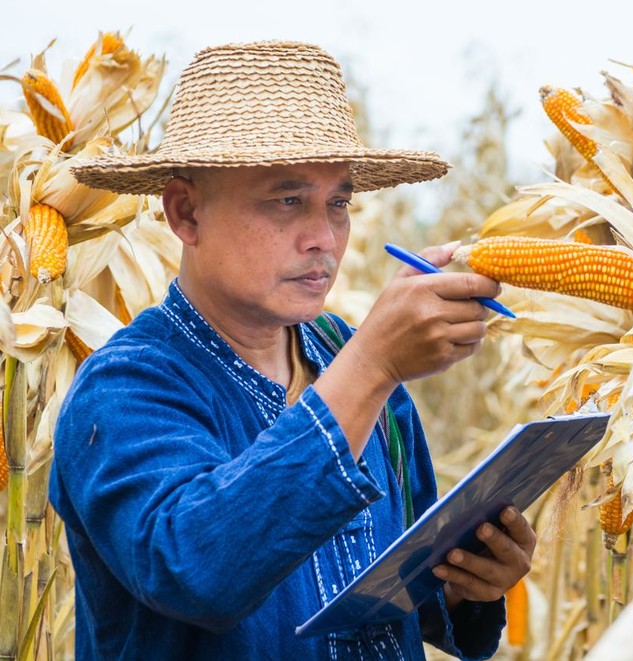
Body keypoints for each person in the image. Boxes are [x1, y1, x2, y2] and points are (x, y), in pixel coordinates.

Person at [50, 40, 536, 660]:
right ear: (186, 212)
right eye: (287, 200)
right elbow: (195, 571)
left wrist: (470, 585)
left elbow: (405, 587)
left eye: (339, 203)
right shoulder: (125, 388)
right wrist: (374, 366)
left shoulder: (342, 351)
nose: (324, 238)